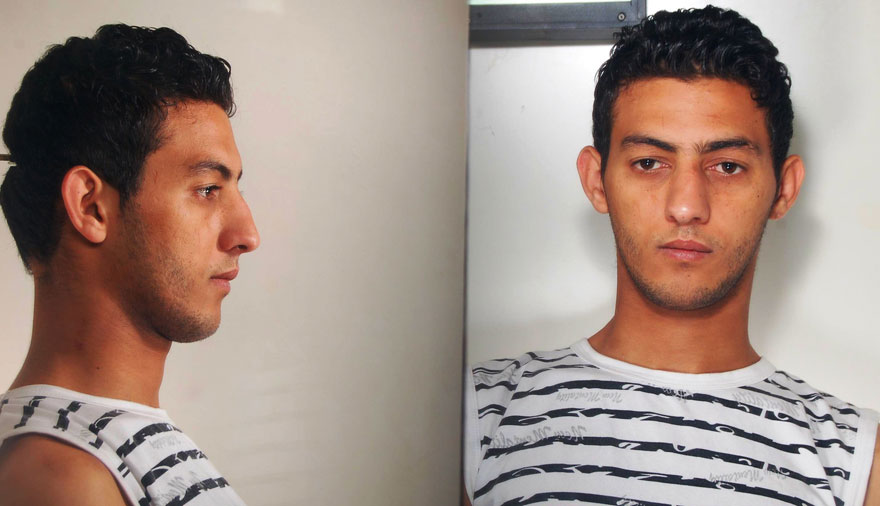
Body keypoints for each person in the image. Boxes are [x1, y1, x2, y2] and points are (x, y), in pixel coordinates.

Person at [463, 6, 880, 505]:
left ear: (783, 190)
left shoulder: (857, 463)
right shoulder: (474, 415)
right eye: (649, 162)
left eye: (727, 166)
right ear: (596, 181)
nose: (686, 206)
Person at [0, 24, 258, 505]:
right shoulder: (64, 480)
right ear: (91, 207)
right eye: (207, 189)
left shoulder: (103, 447)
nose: (247, 235)